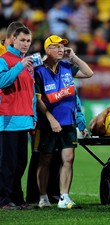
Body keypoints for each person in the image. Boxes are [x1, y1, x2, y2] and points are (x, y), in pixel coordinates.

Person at [34, 34, 93, 209]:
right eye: (56, 46)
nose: (61, 49)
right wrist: (51, 119)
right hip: (47, 124)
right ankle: (43, 197)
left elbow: (89, 73)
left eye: (62, 46)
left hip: (68, 122)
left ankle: (64, 197)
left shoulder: (67, 66)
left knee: (69, 158)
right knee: (45, 160)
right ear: (47, 50)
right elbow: (38, 100)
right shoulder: (39, 71)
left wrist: (73, 56)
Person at [0, 26, 37, 210]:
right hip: (7, 120)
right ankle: (3, 200)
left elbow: (31, 93)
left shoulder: (28, 64)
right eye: (22, 40)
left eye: (28, 41)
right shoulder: (3, 60)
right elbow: (2, 82)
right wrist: (19, 66)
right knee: (7, 164)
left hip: (24, 119)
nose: (25, 44)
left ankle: (17, 199)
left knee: (20, 163)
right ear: (13, 39)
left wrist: (34, 116)